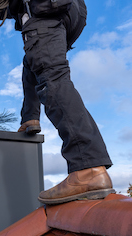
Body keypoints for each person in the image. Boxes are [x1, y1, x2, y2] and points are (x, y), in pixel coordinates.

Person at [7, 0, 115, 204]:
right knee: (32, 61)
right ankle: (30, 117)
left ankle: (88, 168)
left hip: (43, 8)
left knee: (51, 77)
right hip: (70, 10)